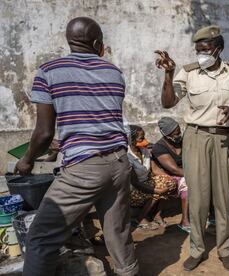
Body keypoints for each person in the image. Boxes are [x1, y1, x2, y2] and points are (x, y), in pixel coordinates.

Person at [14, 17, 138, 276]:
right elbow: (100, 115)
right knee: (117, 231)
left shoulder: (48, 71)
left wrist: (26, 159)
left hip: (84, 169)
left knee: (40, 238)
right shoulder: (114, 72)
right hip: (119, 162)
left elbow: (45, 133)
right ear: (97, 44)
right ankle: (128, 271)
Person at [155, 25, 229, 271]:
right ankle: (197, 249)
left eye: (205, 49)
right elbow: (168, 102)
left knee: (222, 197)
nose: (201, 54)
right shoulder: (188, 73)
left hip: (224, 140)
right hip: (196, 138)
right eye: (198, 50)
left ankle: (225, 248)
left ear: (218, 48)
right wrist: (169, 74)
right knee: (197, 198)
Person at [151, 117, 190, 232]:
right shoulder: (159, 147)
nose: (179, 135)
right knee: (187, 183)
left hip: (184, 172)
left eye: (179, 132)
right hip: (168, 176)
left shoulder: (183, 142)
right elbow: (174, 170)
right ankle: (185, 221)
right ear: (166, 134)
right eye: (176, 133)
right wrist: (196, 175)